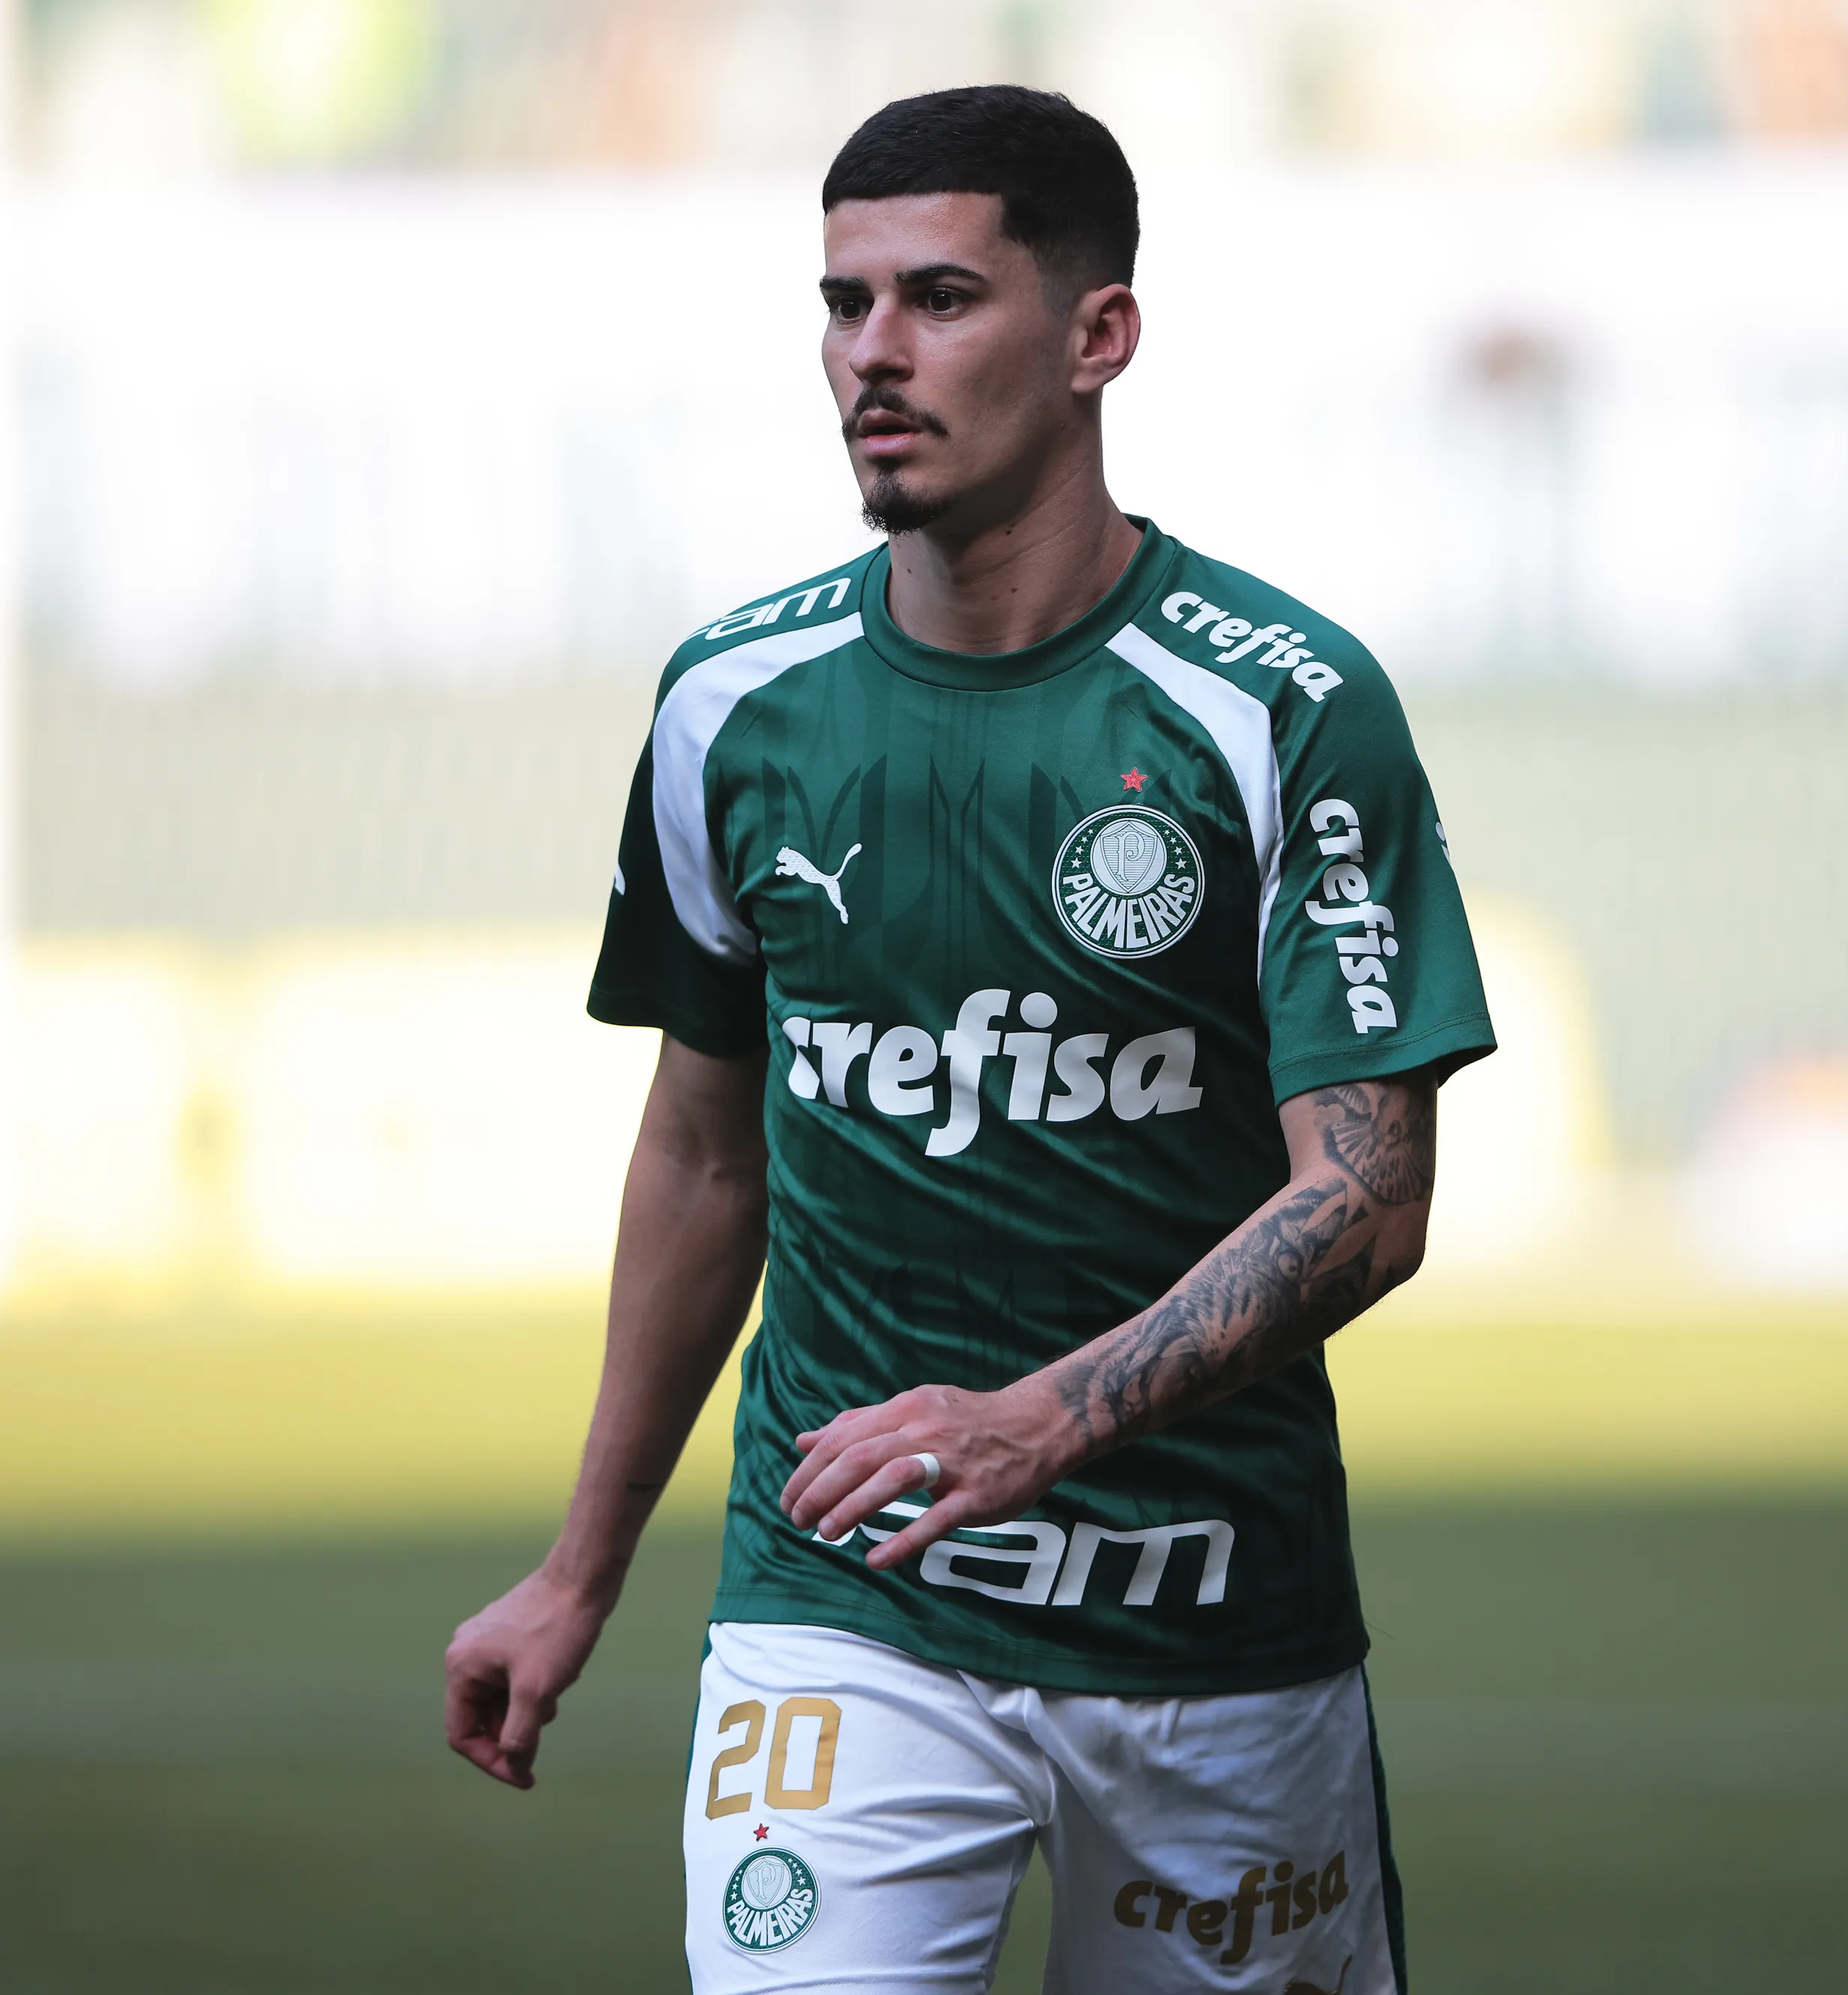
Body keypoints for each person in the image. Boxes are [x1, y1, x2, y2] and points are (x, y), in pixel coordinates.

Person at [445, 84, 1494, 1994]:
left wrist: (1039, 1420)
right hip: (842, 1608)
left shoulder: (1281, 710)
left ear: (1097, 336)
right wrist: (578, 1564)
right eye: (841, 305)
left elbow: (1368, 1193)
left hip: (1208, 1630)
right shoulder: (733, 706)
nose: (872, 355)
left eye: (937, 297)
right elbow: (703, 1150)